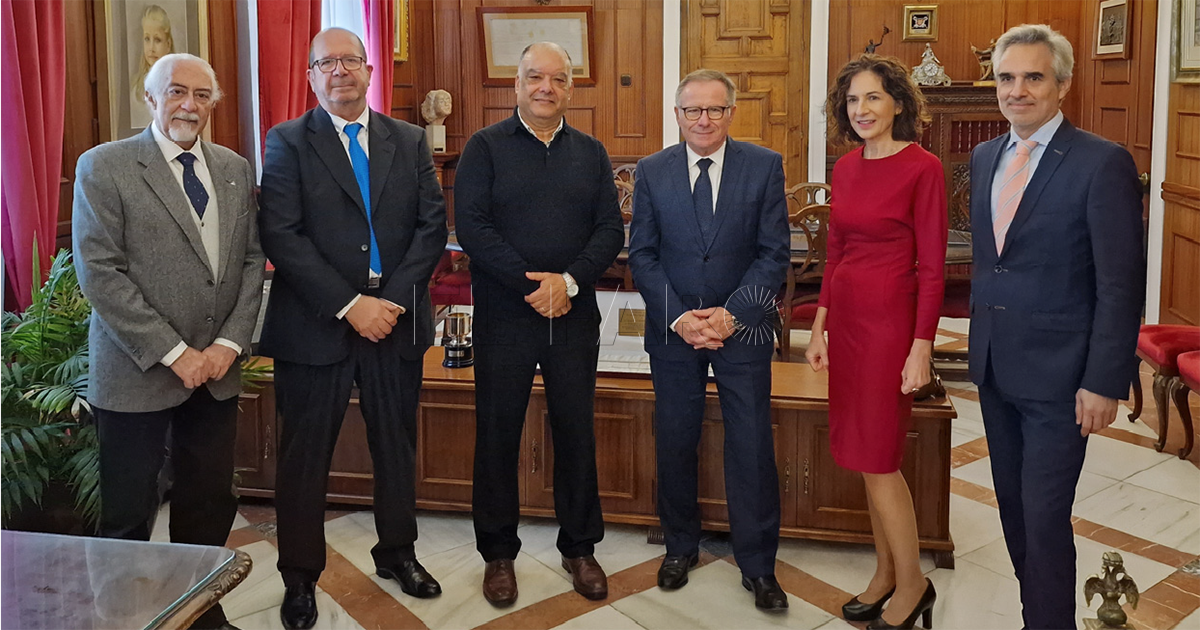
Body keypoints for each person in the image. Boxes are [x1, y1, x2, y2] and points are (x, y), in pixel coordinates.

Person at [257, 27, 448, 630]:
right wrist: (349, 305)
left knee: (396, 447)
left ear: (369, 71)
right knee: (305, 458)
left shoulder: (410, 139)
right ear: (310, 76)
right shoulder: (286, 140)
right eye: (325, 63)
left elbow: (431, 228)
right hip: (316, 325)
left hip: (395, 321)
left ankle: (397, 552)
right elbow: (281, 236)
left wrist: (387, 302)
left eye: (349, 61)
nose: (339, 71)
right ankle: (300, 576)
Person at [73, 52, 264, 630]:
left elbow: (252, 262)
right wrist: (177, 353)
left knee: (205, 509)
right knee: (128, 516)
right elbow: (100, 271)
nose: (190, 104)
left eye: (203, 95)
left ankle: (201, 614)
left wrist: (227, 346)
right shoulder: (104, 166)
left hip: (217, 370)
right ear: (151, 99)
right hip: (137, 372)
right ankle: (124, 618)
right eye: (177, 92)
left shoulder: (233, 168)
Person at [968, 24, 1144, 630]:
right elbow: (994, 261)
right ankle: (1037, 613)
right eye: (1006, 78)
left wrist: (1104, 381)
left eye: (1033, 77)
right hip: (995, 370)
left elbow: (1120, 284)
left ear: (1062, 85)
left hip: (1062, 381)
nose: (1017, 91)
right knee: (1014, 513)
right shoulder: (984, 155)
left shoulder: (1102, 162)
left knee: (1044, 519)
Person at [454, 41, 623, 607]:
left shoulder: (592, 152)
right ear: (517, 84)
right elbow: (473, 229)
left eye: (556, 78)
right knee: (497, 435)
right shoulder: (484, 148)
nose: (545, 87)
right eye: (533, 77)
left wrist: (567, 283)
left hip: (573, 317)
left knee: (576, 432)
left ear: (571, 88)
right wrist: (534, 286)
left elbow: (609, 231)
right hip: (505, 318)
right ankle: (498, 553)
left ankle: (580, 547)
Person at [627, 68, 791, 611]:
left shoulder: (764, 166)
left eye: (714, 109)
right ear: (676, 114)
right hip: (673, 333)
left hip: (741, 332)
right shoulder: (651, 171)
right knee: (675, 439)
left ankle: (759, 565)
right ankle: (679, 548)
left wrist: (732, 316)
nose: (703, 119)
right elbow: (643, 254)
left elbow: (774, 253)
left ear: (731, 113)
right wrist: (679, 318)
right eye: (692, 110)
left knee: (750, 446)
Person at [806, 54, 947, 630]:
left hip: (893, 324)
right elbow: (835, 251)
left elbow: (934, 269)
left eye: (872, 98)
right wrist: (819, 324)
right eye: (852, 100)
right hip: (850, 323)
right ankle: (887, 570)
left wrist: (922, 346)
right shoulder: (845, 167)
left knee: (881, 457)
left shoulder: (924, 168)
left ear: (898, 104)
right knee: (863, 455)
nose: (861, 110)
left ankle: (913, 584)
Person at [131, 5, 175, 128]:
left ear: (168, 44)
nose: (151, 48)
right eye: (147, 39)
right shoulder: (135, 88)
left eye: (157, 40)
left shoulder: (178, 85)